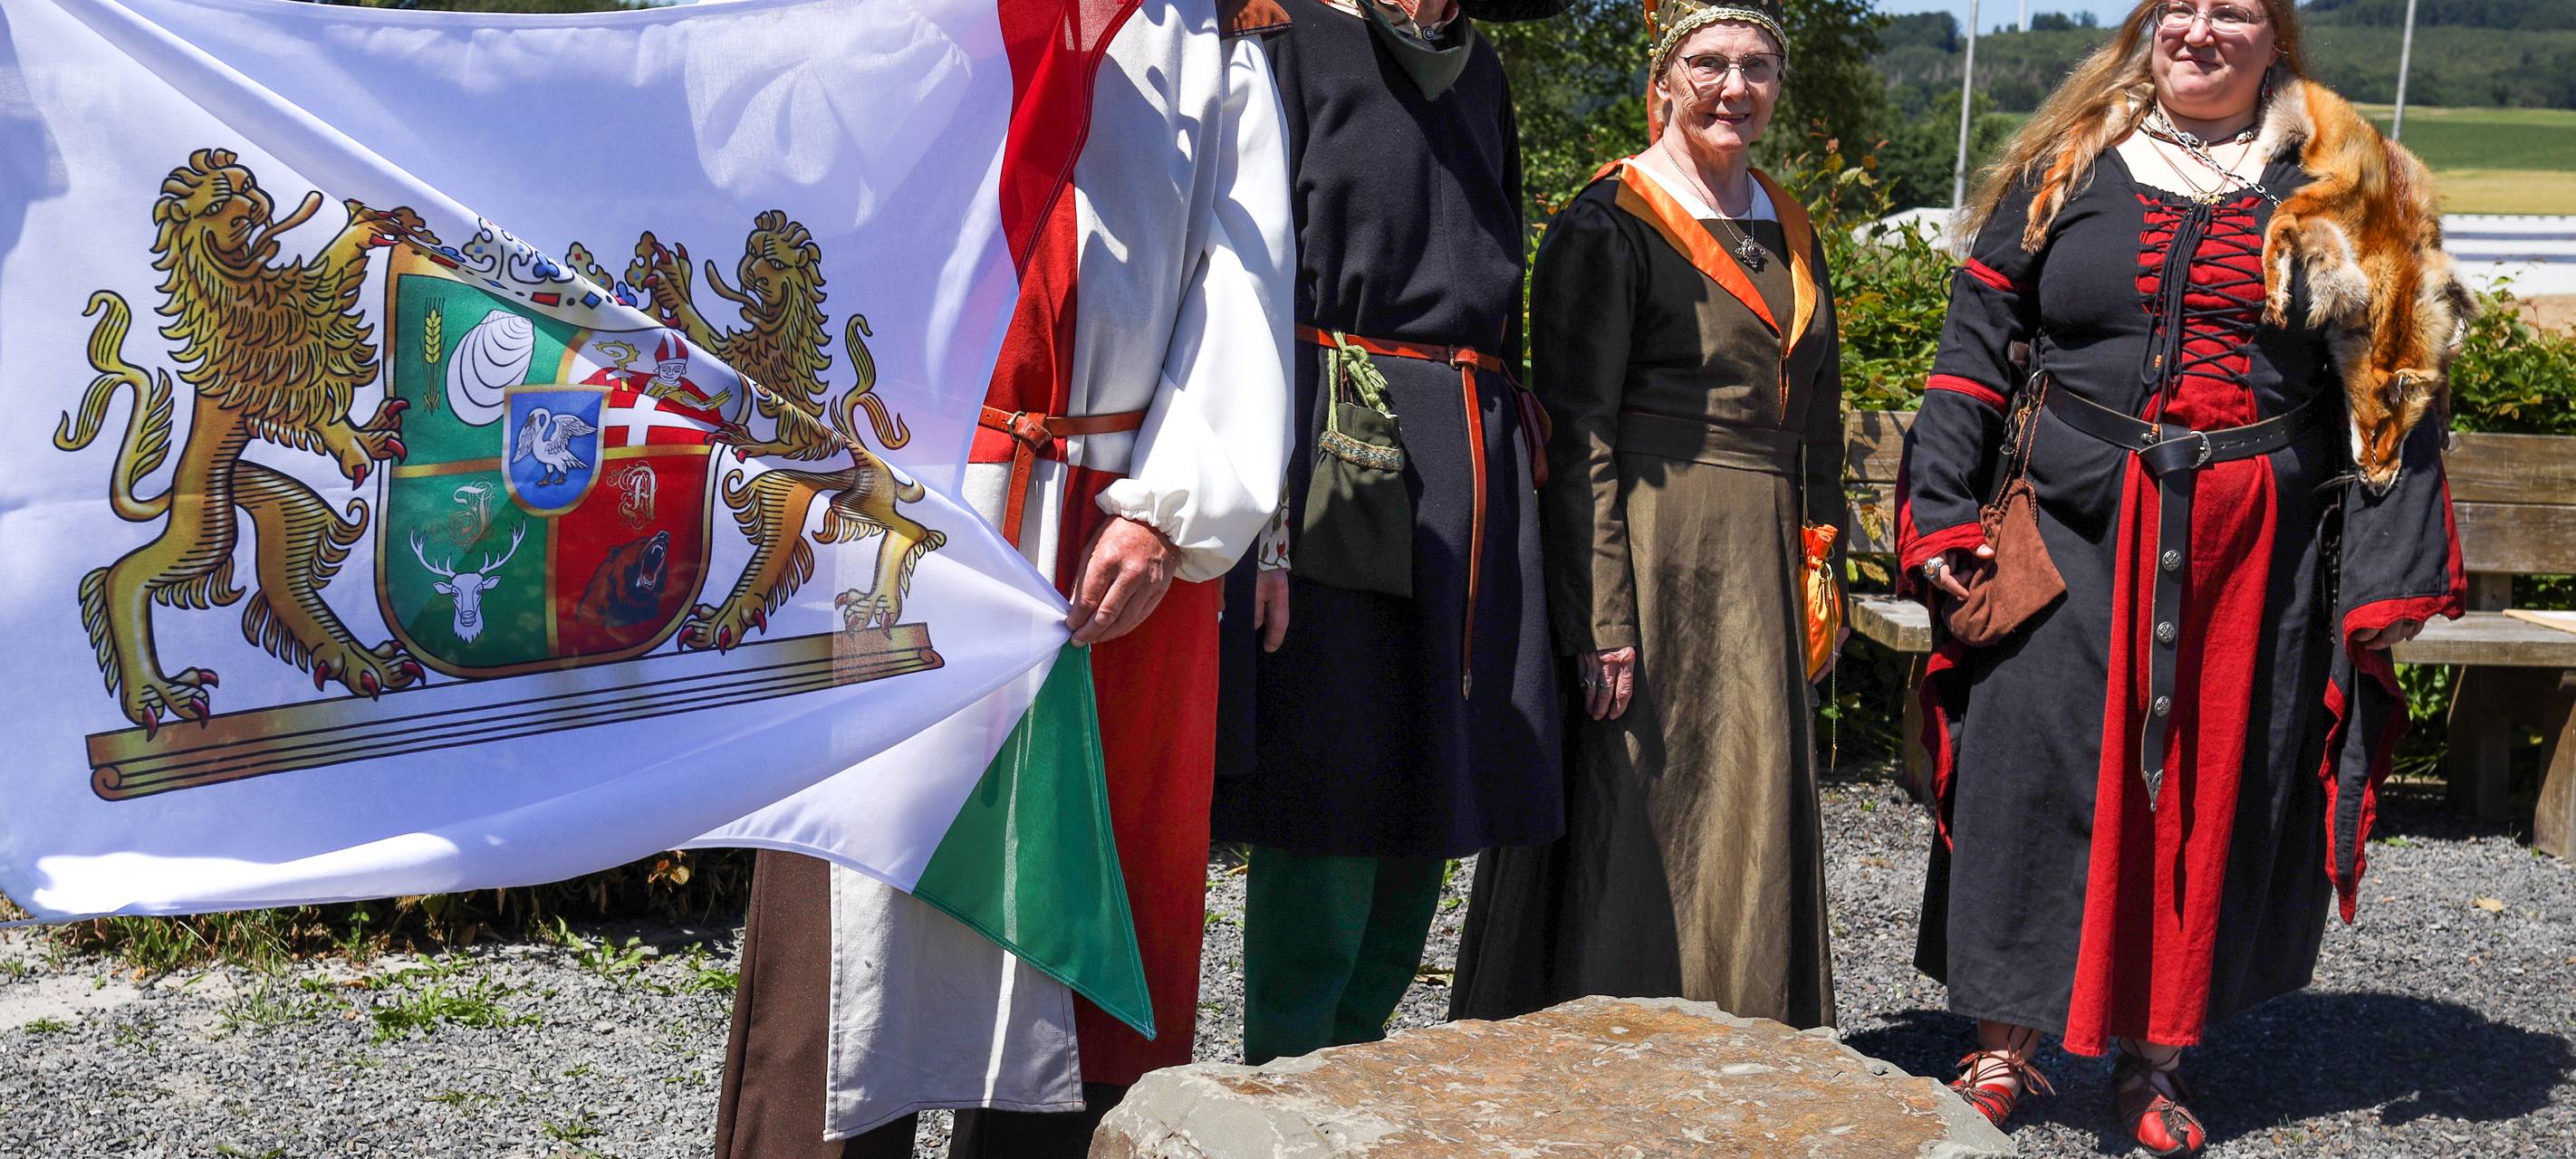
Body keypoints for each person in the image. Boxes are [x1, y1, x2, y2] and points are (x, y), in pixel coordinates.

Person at [711, 0, 1293, 1154]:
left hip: (1108, 531)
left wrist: (1168, 509)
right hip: (903, 503)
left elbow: (1242, 289)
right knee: (856, 914)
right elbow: (785, 189)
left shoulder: (1213, 45)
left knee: (1069, 948)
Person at [1896, 3, 2468, 1155]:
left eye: (2233, 12)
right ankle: (2004, 1044)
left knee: (2210, 785)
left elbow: (2403, 382)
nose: (2200, 31)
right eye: (2179, 9)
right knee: (2029, 764)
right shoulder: (2068, 162)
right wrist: (1942, 505)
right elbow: (1976, 341)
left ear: (2276, 38)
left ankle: (2154, 1057)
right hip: (2071, 521)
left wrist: (2388, 575)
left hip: (2251, 546)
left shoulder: (2350, 181)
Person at [1442, 0, 1845, 1035]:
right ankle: (1603, 1055)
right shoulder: (1611, 219)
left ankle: (1744, 1050)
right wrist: (1602, 613)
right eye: (1708, 64)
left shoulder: (1790, 223)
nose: (1734, 87)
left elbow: (1820, 418)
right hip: (1656, 556)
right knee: (1639, 817)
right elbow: (1577, 433)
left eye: (1756, 66)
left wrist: (1821, 564)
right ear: (1663, 80)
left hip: (1760, 561)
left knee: (1747, 814)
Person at [1210, 0, 1568, 1068]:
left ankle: (1360, 1063)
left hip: (1473, 454)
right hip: (1334, 437)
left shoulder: (1482, 72)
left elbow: (1504, 295)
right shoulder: (1289, 44)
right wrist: (1265, 525)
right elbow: (1243, 287)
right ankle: (1283, 1077)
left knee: (1436, 770)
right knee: (1331, 771)